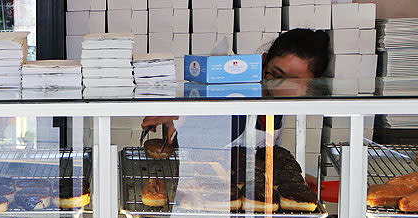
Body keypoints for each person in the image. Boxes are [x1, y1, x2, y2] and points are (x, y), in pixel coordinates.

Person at [142, 28, 332, 141]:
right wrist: (179, 116)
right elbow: (202, 111)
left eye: (295, 83)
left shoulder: (281, 108)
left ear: (311, 85)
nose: (281, 88)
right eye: (276, 75)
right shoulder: (235, 91)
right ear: (264, 61)